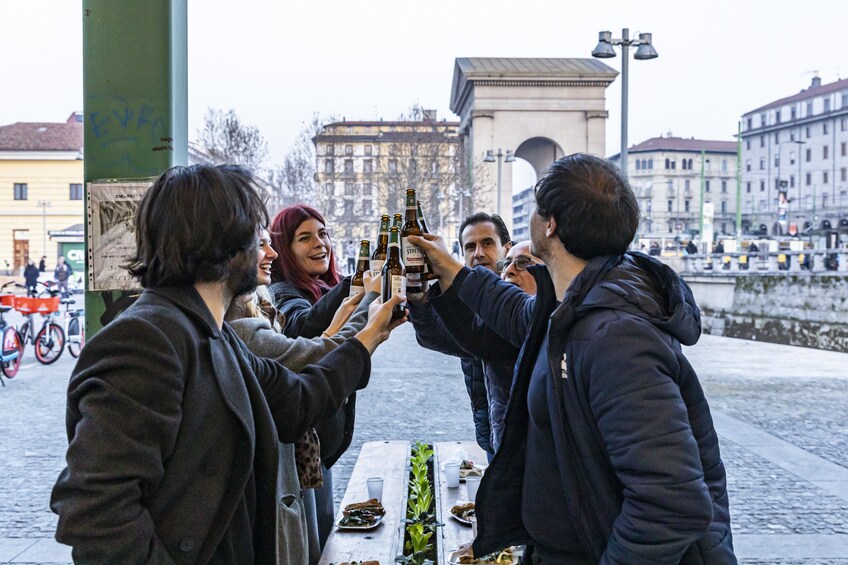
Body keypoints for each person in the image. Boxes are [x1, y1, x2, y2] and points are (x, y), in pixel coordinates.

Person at [50, 164, 406, 563]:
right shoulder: (144, 340)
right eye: (257, 240)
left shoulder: (211, 332)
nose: (269, 252)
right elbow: (95, 514)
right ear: (221, 245)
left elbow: (298, 400)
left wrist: (371, 333)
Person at [410, 153, 736, 563]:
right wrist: (449, 268)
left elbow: (671, 502)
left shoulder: (616, 338)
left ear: (551, 224)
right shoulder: (571, 306)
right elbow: (512, 312)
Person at [225, 226, 382, 565]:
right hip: (282, 469)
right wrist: (370, 320)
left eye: (323, 234)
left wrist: (339, 324)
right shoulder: (240, 324)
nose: (272, 254)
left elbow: (307, 351)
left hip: (299, 461)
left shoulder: (257, 306)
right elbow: (307, 361)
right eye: (262, 245)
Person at [267, 204, 363, 548]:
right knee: (313, 544)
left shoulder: (322, 286)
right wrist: (358, 281)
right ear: (283, 250)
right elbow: (299, 326)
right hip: (301, 457)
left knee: (324, 536)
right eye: (304, 238)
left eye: (322, 234)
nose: (319, 243)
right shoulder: (281, 292)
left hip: (319, 451)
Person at [415, 240, 542, 453]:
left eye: (523, 263)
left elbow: (476, 334)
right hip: (498, 441)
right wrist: (418, 299)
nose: (510, 270)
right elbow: (440, 335)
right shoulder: (488, 316)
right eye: (507, 263)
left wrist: (447, 270)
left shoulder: (542, 319)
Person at [409, 212, 513, 458]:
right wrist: (420, 301)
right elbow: (435, 337)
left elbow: (481, 339)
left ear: (506, 247)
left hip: (522, 433)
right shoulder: (464, 298)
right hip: (489, 428)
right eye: (470, 247)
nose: (478, 253)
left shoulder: (521, 293)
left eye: (487, 243)